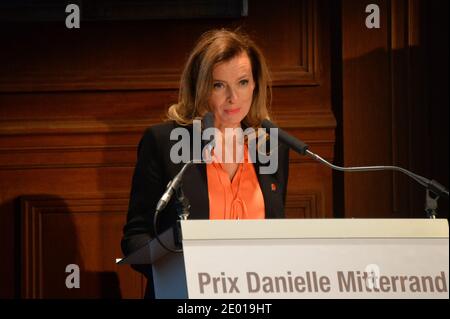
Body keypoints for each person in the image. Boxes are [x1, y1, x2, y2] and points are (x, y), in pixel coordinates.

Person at [121, 28, 290, 298]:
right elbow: (136, 237)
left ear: (256, 84)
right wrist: (178, 274)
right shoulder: (165, 142)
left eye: (243, 82)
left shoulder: (271, 146)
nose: (233, 97)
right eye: (218, 85)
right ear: (200, 87)